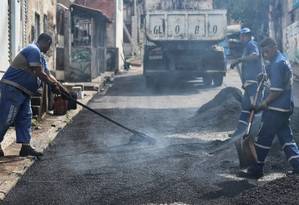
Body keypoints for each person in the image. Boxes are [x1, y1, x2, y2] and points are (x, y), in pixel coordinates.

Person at [239, 37, 299, 179]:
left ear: (273, 47)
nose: (265, 55)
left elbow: (277, 90)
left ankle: (256, 169)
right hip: (285, 108)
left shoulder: (277, 64)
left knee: (263, 138)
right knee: (286, 138)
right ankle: (298, 164)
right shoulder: (281, 59)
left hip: (276, 109)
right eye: (263, 52)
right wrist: (264, 76)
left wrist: (263, 104)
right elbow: (278, 78)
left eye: (266, 51)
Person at [0, 33, 68, 157]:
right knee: (7, 117)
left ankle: (25, 147)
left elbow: (48, 74)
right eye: (49, 46)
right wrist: (52, 86)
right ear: (46, 42)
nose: (48, 49)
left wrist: (63, 90)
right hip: (13, 88)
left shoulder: (40, 57)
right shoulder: (33, 50)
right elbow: (39, 73)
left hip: (24, 91)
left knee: (26, 117)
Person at [230, 27, 263, 138]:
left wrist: (239, 60)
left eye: (243, 36)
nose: (241, 38)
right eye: (241, 36)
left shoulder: (251, 44)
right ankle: (239, 133)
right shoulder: (246, 47)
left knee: (255, 108)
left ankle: (257, 133)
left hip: (254, 84)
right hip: (249, 84)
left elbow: (255, 55)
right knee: (245, 108)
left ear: (248, 36)